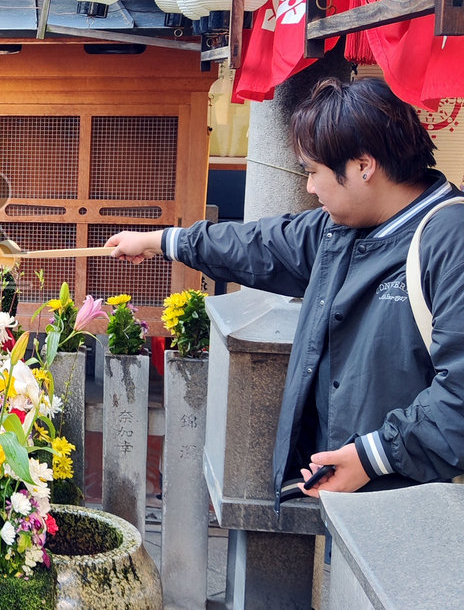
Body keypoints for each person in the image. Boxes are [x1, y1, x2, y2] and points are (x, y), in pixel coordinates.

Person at [104, 76, 464, 501]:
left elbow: (458, 396)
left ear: (363, 166)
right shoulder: (342, 228)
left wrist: (374, 456)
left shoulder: (450, 241)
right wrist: (161, 241)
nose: (309, 187)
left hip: (416, 504)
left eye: (313, 172)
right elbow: (260, 244)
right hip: (350, 490)